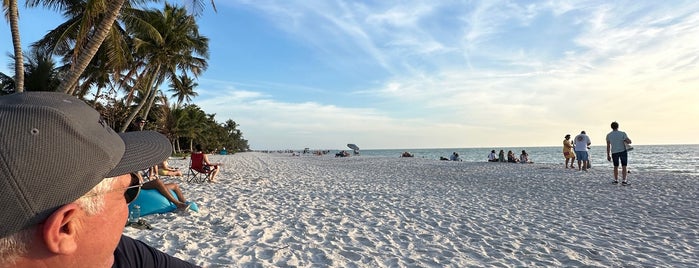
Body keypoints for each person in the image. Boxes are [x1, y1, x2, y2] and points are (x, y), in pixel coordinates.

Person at [0, 92, 199, 267]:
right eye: (128, 191)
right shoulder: (104, 253)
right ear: (65, 227)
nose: (128, 205)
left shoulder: (119, 253)